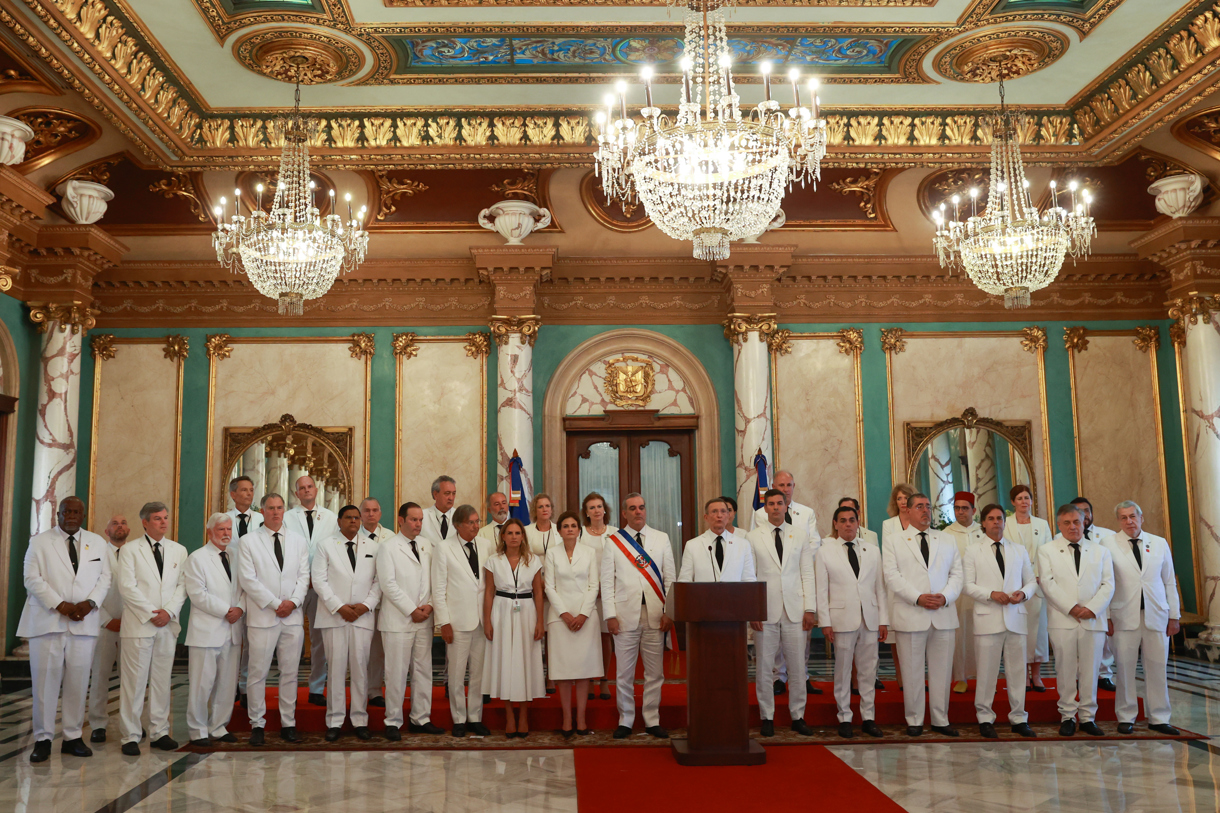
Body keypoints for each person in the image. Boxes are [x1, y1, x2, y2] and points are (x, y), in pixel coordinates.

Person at [19, 496, 111, 763]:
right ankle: (43, 739)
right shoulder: (39, 541)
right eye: (66, 511)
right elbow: (31, 579)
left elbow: (105, 578)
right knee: (45, 683)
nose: (71, 515)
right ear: (57, 514)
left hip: (85, 621)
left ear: (83, 515)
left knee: (78, 682)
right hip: (48, 622)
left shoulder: (98, 542)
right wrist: (60, 605)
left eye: (76, 512)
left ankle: (72, 737)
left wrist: (90, 603)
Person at [882, 492, 963, 737]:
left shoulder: (946, 540)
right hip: (911, 612)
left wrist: (945, 596)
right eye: (919, 506)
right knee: (912, 671)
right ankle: (915, 720)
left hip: (943, 613)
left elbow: (957, 574)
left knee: (942, 671)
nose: (925, 510)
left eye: (928, 506)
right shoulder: (895, 540)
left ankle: (940, 719)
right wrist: (917, 597)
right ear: (907, 510)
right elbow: (891, 575)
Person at [237, 493, 311, 746]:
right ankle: (257, 724)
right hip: (263, 616)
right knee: (258, 672)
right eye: (271, 508)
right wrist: (275, 604)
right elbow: (248, 579)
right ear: (263, 511)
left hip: (292, 616)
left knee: (290, 673)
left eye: (280, 508)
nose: (276, 512)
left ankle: (288, 723)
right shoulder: (248, 541)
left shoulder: (299, 541)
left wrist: (293, 602)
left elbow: (304, 576)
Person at [601, 492, 675, 739]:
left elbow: (670, 580)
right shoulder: (613, 542)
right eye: (632, 508)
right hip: (624, 617)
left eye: (641, 507)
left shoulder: (661, 538)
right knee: (624, 674)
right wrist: (610, 614)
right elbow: (606, 582)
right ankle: (626, 720)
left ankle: (652, 720)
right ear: (624, 513)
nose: (638, 512)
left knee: (655, 673)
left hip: (655, 616)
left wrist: (669, 612)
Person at [1103, 500, 1180, 735]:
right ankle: (1126, 716)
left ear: (1141, 517)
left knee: (1157, 667)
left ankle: (1159, 717)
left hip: (1157, 615)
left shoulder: (1158, 543)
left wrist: (1174, 615)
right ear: (1118, 521)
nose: (1129, 521)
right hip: (1123, 616)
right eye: (1124, 517)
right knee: (1125, 668)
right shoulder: (1107, 544)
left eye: (1133, 516)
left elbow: (1168, 580)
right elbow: (1104, 582)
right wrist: (1106, 616)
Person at [117, 501, 187, 755]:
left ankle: (159, 732)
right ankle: (130, 736)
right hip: (139, 624)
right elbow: (127, 587)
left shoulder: (179, 550)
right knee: (134, 683)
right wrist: (151, 613)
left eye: (165, 517)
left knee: (161, 680)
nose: (163, 522)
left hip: (167, 625)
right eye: (157, 518)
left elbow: (183, 586)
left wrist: (168, 612)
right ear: (145, 522)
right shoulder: (130, 550)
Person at [1039, 504, 1114, 737]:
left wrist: (1091, 608)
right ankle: (1068, 715)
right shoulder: (1047, 550)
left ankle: (1088, 717)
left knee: (1091, 669)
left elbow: (1108, 584)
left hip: (1093, 619)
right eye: (1067, 523)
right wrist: (1072, 608)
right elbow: (1047, 583)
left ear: (1085, 523)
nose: (1072, 527)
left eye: (1077, 522)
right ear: (1059, 525)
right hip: (1063, 618)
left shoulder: (1100, 551)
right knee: (1065, 668)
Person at [963, 504, 1037, 739]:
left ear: (1005, 522)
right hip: (988, 617)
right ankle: (985, 717)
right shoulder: (973, 551)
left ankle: (1019, 718)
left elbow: (1032, 581)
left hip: (1015, 617)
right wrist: (991, 594)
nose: (996, 522)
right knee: (986, 673)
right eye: (991, 519)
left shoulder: (1018, 550)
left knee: (1017, 672)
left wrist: (1023, 594)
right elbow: (967, 585)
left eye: (1000, 518)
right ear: (983, 523)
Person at [748, 488, 816, 737]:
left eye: (780, 503)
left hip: (796, 610)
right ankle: (767, 716)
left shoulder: (800, 535)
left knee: (798, 667)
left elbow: (807, 573)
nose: (776, 507)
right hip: (764, 611)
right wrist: (753, 609)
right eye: (771, 504)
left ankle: (798, 715)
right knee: (765, 667)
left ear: (787, 506)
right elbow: (750, 576)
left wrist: (810, 608)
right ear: (764, 508)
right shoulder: (753, 537)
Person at [815, 505, 886, 739]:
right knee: (843, 670)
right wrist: (825, 622)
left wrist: (883, 620)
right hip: (841, 619)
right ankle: (844, 717)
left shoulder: (872, 550)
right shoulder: (825, 551)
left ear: (858, 523)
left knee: (868, 671)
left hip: (869, 618)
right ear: (835, 524)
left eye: (852, 520)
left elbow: (880, 589)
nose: (848, 524)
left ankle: (868, 718)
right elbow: (821, 591)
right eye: (843, 520)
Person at [312, 505, 381, 742]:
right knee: (336, 669)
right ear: (339, 521)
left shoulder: (374, 546)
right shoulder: (325, 545)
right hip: (334, 615)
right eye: (349, 517)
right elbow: (319, 581)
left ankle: (360, 719)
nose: (353, 521)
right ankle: (335, 720)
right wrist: (339, 606)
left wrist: (366, 605)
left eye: (356, 517)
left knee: (361, 668)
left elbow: (378, 581)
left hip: (363, 615)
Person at [377, 502, 443, 740]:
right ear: (401, 520)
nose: (418, 524)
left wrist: (431, 605)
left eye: (420, 520)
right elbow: (388, 584)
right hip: (398, 621)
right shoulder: (387, 547)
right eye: (413, 520)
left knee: (423, 670)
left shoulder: (427, 545)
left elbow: (436, 578)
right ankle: (392, 721)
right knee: (396, 672)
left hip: (424, 618)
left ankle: (421, 718)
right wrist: (411, 609)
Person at [432, 503, 493, 738]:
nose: (476, 526)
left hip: (481, 619)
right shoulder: (444, 548)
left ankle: (475, 717)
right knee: (457, 674)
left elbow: (488, 585)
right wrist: (443, 622)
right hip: (456, 621)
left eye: (478, 521)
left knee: (478, 673)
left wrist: (490, 618)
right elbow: (438, 588)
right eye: (471, 522)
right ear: (458, 525)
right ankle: (458, 718)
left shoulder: (486, 545)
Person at [184, 514, 244, 747]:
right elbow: (198, 594)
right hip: (206, 630)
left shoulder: (237, 556)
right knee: (202, 683)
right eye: (221, 529)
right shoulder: (197, 558)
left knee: (227, 684)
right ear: (210, 532)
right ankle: (198, 730)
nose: (226, 533)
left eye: (229, 528)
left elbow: (246, 587)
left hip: (233, 628)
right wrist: (227, 610)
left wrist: (240, 608)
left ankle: (219, 726)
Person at [484, 519, 546, 736]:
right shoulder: (493, 560)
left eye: (517, 533)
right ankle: (510, 717)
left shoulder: (534, 560)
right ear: (503, 536)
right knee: (506, 663)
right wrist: (487, 621)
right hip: (501, 611)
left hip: (527, 611)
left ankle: (524, 717)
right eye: (509, 533)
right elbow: (489, 592)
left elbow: (538, 592)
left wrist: (540, 621)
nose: (513, 536)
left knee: (524, 663)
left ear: (523, 536)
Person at [545, 512, 604, 736]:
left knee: (582, 670)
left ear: (579, 530)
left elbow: (594, 586)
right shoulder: (551, 553)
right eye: (565, 526)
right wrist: (565, 614)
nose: (569, 529)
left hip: (585, 617)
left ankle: (581, 719)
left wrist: (582, 614)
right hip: (560, 618)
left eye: (573, 526)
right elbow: (549, 586)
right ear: (558, 531)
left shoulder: (589, 552)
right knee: (563, 672)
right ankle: (567, 719)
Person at [284, 475, 338, 707]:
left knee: (320, 640)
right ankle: (290, 690)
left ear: (316, 490)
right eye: (301, 488)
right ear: (296, 494)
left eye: (309, 487)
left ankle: (316, 688)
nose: (306, 491)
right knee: (292, 640)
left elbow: (334, 550)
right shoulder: (287, 517)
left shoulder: (331, 518)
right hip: (294, 586)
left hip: (321, 586)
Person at [1006, 484, 1053, 692]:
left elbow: (1048, 551)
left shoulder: (1042, 525)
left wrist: (1041, 575)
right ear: (1013, 502)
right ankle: (1022, 675)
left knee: (1038, 632)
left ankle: (1037, 675)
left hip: (1038, 583)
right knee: (1019, 632)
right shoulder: (1006, 524)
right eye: (1019, 498)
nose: (1024, 501)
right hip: (1015, 585)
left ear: (1032, 501)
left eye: (1027, 497)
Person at [87, 514, 128, 743]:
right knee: (100, 675)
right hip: (102, 623)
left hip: (131, 624)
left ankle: (129, 722)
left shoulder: (135, 554)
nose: (119, 526)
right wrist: (105, 619)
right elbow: (90, 588)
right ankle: (98, 723)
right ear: (106, 531)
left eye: (123, 523)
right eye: (114, 523)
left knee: (130, 677)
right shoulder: (96, 554)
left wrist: (129, 619)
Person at [1074, 496, 1119, 692]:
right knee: (1077, 640)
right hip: (1077, 598)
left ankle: (1104, 674)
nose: (1083, 515)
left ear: (1091, 514)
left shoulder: (1108, 536)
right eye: (1078, 511)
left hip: (1104, 595)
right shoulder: (1060, 537)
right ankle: (1078, 676)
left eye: (1086, 511)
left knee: (1104, 640)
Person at [579, 491, 617, 700]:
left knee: (604, 638)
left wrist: (608, 588)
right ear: (586, 512)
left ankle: (604, 680)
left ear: (605, 509)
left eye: (599, 506)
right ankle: (589, 679)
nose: (596, 510)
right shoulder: (580, 534)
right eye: (592, 507)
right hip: (586, 594)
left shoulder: (615, 532)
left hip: (609, 594)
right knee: (587, 638)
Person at [945, 492, 983, 693]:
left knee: (983, 634)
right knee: (959, 635)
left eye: (964, 508)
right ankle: (961, 677)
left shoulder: (983, 531)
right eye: (957, 508)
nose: (960, 512)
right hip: (958, 593)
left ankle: (985, 678)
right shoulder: (946, 534)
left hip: (982, 592)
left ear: (973, 511)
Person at [880, 483, 916, 689]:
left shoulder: (919, 522)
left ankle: (916, 679)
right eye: (899, 499)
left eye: (906, 498)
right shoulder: (889, 524)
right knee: (896, 636)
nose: (903, 502)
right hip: (896, 584)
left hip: (917, 583)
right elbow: (889, 555)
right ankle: (901, 680)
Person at [357, 498, 389, 707]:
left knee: (378, 650)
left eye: (374, 510)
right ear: (360, 514)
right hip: (360, 603)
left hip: (385, 602)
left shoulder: (391, 537)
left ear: (380, 513)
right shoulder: (352, 536)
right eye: (366, 511)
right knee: (359, 651)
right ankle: (358, 691)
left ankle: (375, 690)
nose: (371, 514)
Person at [679, 497, 756, 582]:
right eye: (714, 511)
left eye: (723, 511)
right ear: (706, 517)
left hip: (734, 595)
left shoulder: (742, 544)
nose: (719, 515)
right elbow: (684, 580)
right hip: (703, 595)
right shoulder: (692, 545)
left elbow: (749, 579)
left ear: (728, 516)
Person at [420, 475, 458, 546]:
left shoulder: (460, 516)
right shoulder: (422, 517)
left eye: (453, 493)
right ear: (435, 494)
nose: (451, 498)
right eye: (447, 493)